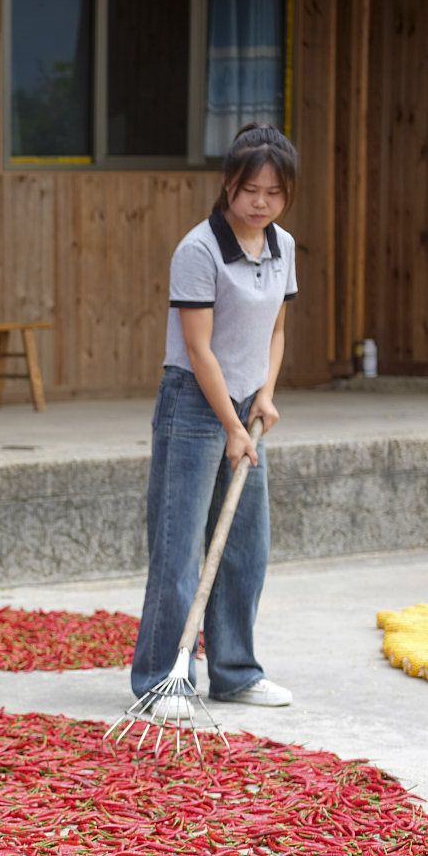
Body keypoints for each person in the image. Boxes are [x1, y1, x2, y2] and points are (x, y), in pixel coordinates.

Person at [130, 123, 299, 720]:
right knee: (178, 550)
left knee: (246, 547)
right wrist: (229, 422)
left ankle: (235, 673)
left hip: (246, 407)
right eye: (251, 189)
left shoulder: (282, 246)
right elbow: (199, 350)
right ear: (228, 185)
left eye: (274, 194)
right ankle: (159, 678)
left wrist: (265, 395)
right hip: (194, 407)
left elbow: (275, 329)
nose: (261, 203)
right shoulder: (198, 249)